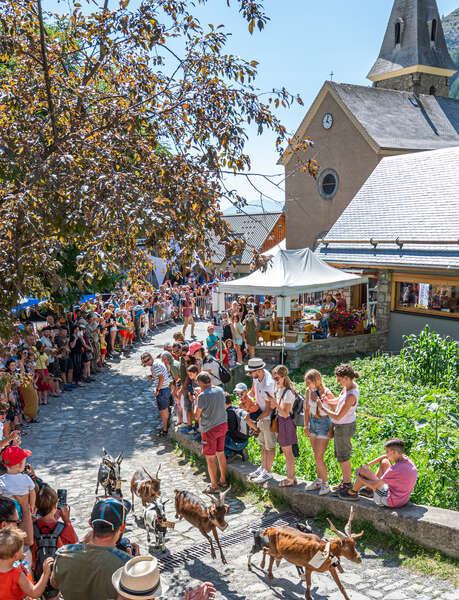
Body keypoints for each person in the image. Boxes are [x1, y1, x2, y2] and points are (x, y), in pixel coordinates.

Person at [51, 497, 134, 600]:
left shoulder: (63, 554)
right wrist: (137, 565)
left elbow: (54, 583)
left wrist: (79, 543)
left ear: (90, 523)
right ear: (122, 527)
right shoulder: (127, 565)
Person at [317, 364, 359, 495]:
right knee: (341, 455)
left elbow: (338, 416)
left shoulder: (351, 395)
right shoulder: (348, 388)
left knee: (343, 457)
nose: (337, 381)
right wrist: (328, 401)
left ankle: (347, 484)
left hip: (344, 427)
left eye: (339, 379)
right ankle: (344, 481)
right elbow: (338, 401)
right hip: (343, 426)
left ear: (346, 378)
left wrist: (323, 408)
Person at [339, 438, 418, 506]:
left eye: (387, 451)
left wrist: (359, 477)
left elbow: (374, 485)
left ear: (394, 452)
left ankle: (352, 493)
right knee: (384, 461)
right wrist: (368, 464)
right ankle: (368, 491)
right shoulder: (406, 459)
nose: (385, 453)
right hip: (402, 499)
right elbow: (384, 457)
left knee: (363, 471)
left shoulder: (395, 469)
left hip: (389, 501)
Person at [32, 485, 78, 599]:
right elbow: (75, 545)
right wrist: (67, 520)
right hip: (58, 576)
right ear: (56, 505)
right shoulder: (63, 527)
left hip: (37, 577)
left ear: (36, 506)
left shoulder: (32, 527)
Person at [193, 372, 228, 494]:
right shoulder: (219, 389)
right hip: (222, 425)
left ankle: (214, 486)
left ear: (201, 383)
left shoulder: (202, 396)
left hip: (209, 429)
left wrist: (196, 401)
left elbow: (196, 416)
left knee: (210, 458)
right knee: (221, 453)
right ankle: (223, 480)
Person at [303, 369, 336, 496]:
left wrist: (332, 428)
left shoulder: (326, 393)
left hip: (324, 423)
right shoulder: (308, 392)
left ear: (316, 381)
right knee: (316, 454)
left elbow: (335, 411)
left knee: (319, 456)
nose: (307, 385)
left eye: (309, 382)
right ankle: (318, 480)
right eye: (306, 383)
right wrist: (306, 426)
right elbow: (306, 409)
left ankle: (326, 484)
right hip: (313, 422)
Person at [0, 527, 54, 600]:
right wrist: (45, 574)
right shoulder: (17, 575)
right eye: (21, 549)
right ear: (15, 555)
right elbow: (35, 593)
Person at [246, 358, 276, 484]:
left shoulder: (268, 384)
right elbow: (252, 392)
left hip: (268, 418)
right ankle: (263, 468)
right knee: (263, 445)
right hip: (260, 415)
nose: (249, 374)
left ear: (258, 371)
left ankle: (268, 472)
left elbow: (270, 408)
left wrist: (255, 418)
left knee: (270, 446)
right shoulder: (256, 378)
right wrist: (245, 399)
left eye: (250, 372)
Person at [268, 365, 297, 487]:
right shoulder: (280, 389)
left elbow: (285, 413)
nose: (275, 381)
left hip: (286, 422)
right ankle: (292, 476)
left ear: (284, 377)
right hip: (281, 421)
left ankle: (290, 478)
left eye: (277, 378)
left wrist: (275, 404)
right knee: (286, 451)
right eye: (273, 378)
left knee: (287, 452)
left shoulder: (288, 392)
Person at [0, 446, 35, 546]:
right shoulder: (26, 478)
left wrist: (7, 498)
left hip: (9, 507)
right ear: (20, 464)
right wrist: (31, 506)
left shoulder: (2, 480)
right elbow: (32, 492)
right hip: (21, 509)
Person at [141, 353, 171, 437]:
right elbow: (160, 376)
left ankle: (165, 429)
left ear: (151, 357)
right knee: (163, 408)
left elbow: (161, 378)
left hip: (162, 389)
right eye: (144, 362)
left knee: (163, 410)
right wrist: (153, 378)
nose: (146, 363)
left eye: (147, 360)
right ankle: (165, 425)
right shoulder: (157, 361)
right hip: (165, 388)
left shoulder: (155, 365)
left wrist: (157, 390)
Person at [224, 393, 256, 460]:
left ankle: (230, 453)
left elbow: (228, 430)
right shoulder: (236, 408)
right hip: (245, 441)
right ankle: (241, 450)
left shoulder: (228, 414)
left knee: (216, 439)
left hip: (236, 444)